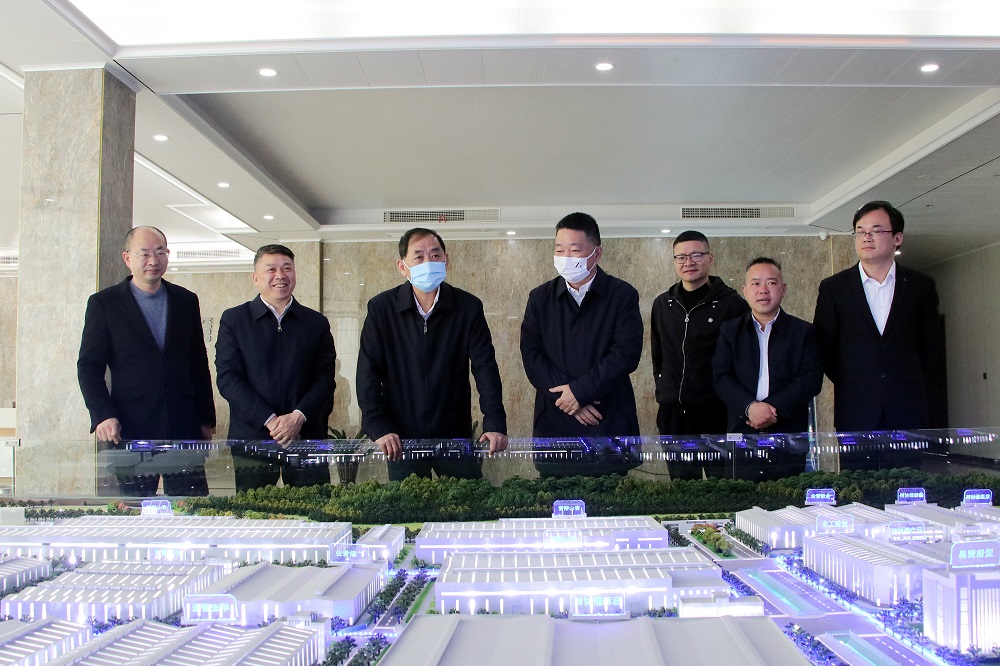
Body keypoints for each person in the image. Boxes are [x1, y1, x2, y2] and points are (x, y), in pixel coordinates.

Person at [357, 228, 507, 480]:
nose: (429, 262)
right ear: (402, 266)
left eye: (435, 255)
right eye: (419, 257)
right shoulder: (382, 309)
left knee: (466, 501)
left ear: (446, 260)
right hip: (401, 440)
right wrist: (377, 426)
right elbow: (368, 372)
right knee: (409, 503)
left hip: (454, 435)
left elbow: (485, 368)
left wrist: (494, 423)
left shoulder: (468, 307)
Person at [813, 200, 941, 469]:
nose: (866, 237)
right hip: (856, 411)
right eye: (860, 231)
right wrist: (859, 381)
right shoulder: (835, 288)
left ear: (897, 238)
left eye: (876, 230)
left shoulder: (920, 286)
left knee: (907, 486)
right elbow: (825, 348)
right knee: (858, 487)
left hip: (907, 411)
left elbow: (930, 346)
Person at [520, 212, 643, 475]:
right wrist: (570, 399)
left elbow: (626, 354)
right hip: (556, 420)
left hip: (607, 418)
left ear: (597, 253)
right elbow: (532, 355)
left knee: (612, 496)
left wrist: (580, 392)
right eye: (559, 250)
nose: (565, 257)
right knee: (554, 497)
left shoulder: (622, 295)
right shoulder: (540, 298)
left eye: (574, 250)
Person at [78, 226, 215, 443]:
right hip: (130, 424)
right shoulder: (104, 304)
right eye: (144, 254)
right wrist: (102, 414)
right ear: (127, 258)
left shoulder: (186, 300)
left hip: (184, 421)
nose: (153, 261)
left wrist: (205, 419)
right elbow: (89, 366)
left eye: (160, 253)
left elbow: (198, 363)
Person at [216, 245, 336, 486]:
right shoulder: (235, 320)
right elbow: (228, 378)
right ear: (256, 278)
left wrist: (297, 418)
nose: (280, 275)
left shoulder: (316, 322)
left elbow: (325, 379)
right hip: (253, 437)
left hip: (305, 435)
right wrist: (271, 420)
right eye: (271, 269)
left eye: (287, 268)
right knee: (255, 507)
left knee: (313, 505)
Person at [713, 257, 823, 478]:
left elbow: (811, 379)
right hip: (742, 433)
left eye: (771, 283)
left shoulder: (804, 332)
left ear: (783, 289)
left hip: (788, 435)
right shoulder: (730, 331)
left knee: (788, 496)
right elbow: (722, 377)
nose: (763, 290)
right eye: (755, 283)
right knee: (742, 495)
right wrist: (750, 408)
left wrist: (771, 409)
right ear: (745, 291)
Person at [650, 230, 748, 478]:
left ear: (710, 258)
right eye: (681, 257)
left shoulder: (732, 303)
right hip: (674, 414)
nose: (689, 262)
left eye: (696, 255)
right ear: (674, 261)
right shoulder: (663, 304)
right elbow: (658, 356)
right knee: (682, 489)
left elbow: (742, 359)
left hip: (717, 412)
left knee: (723, 485)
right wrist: (664, 388)